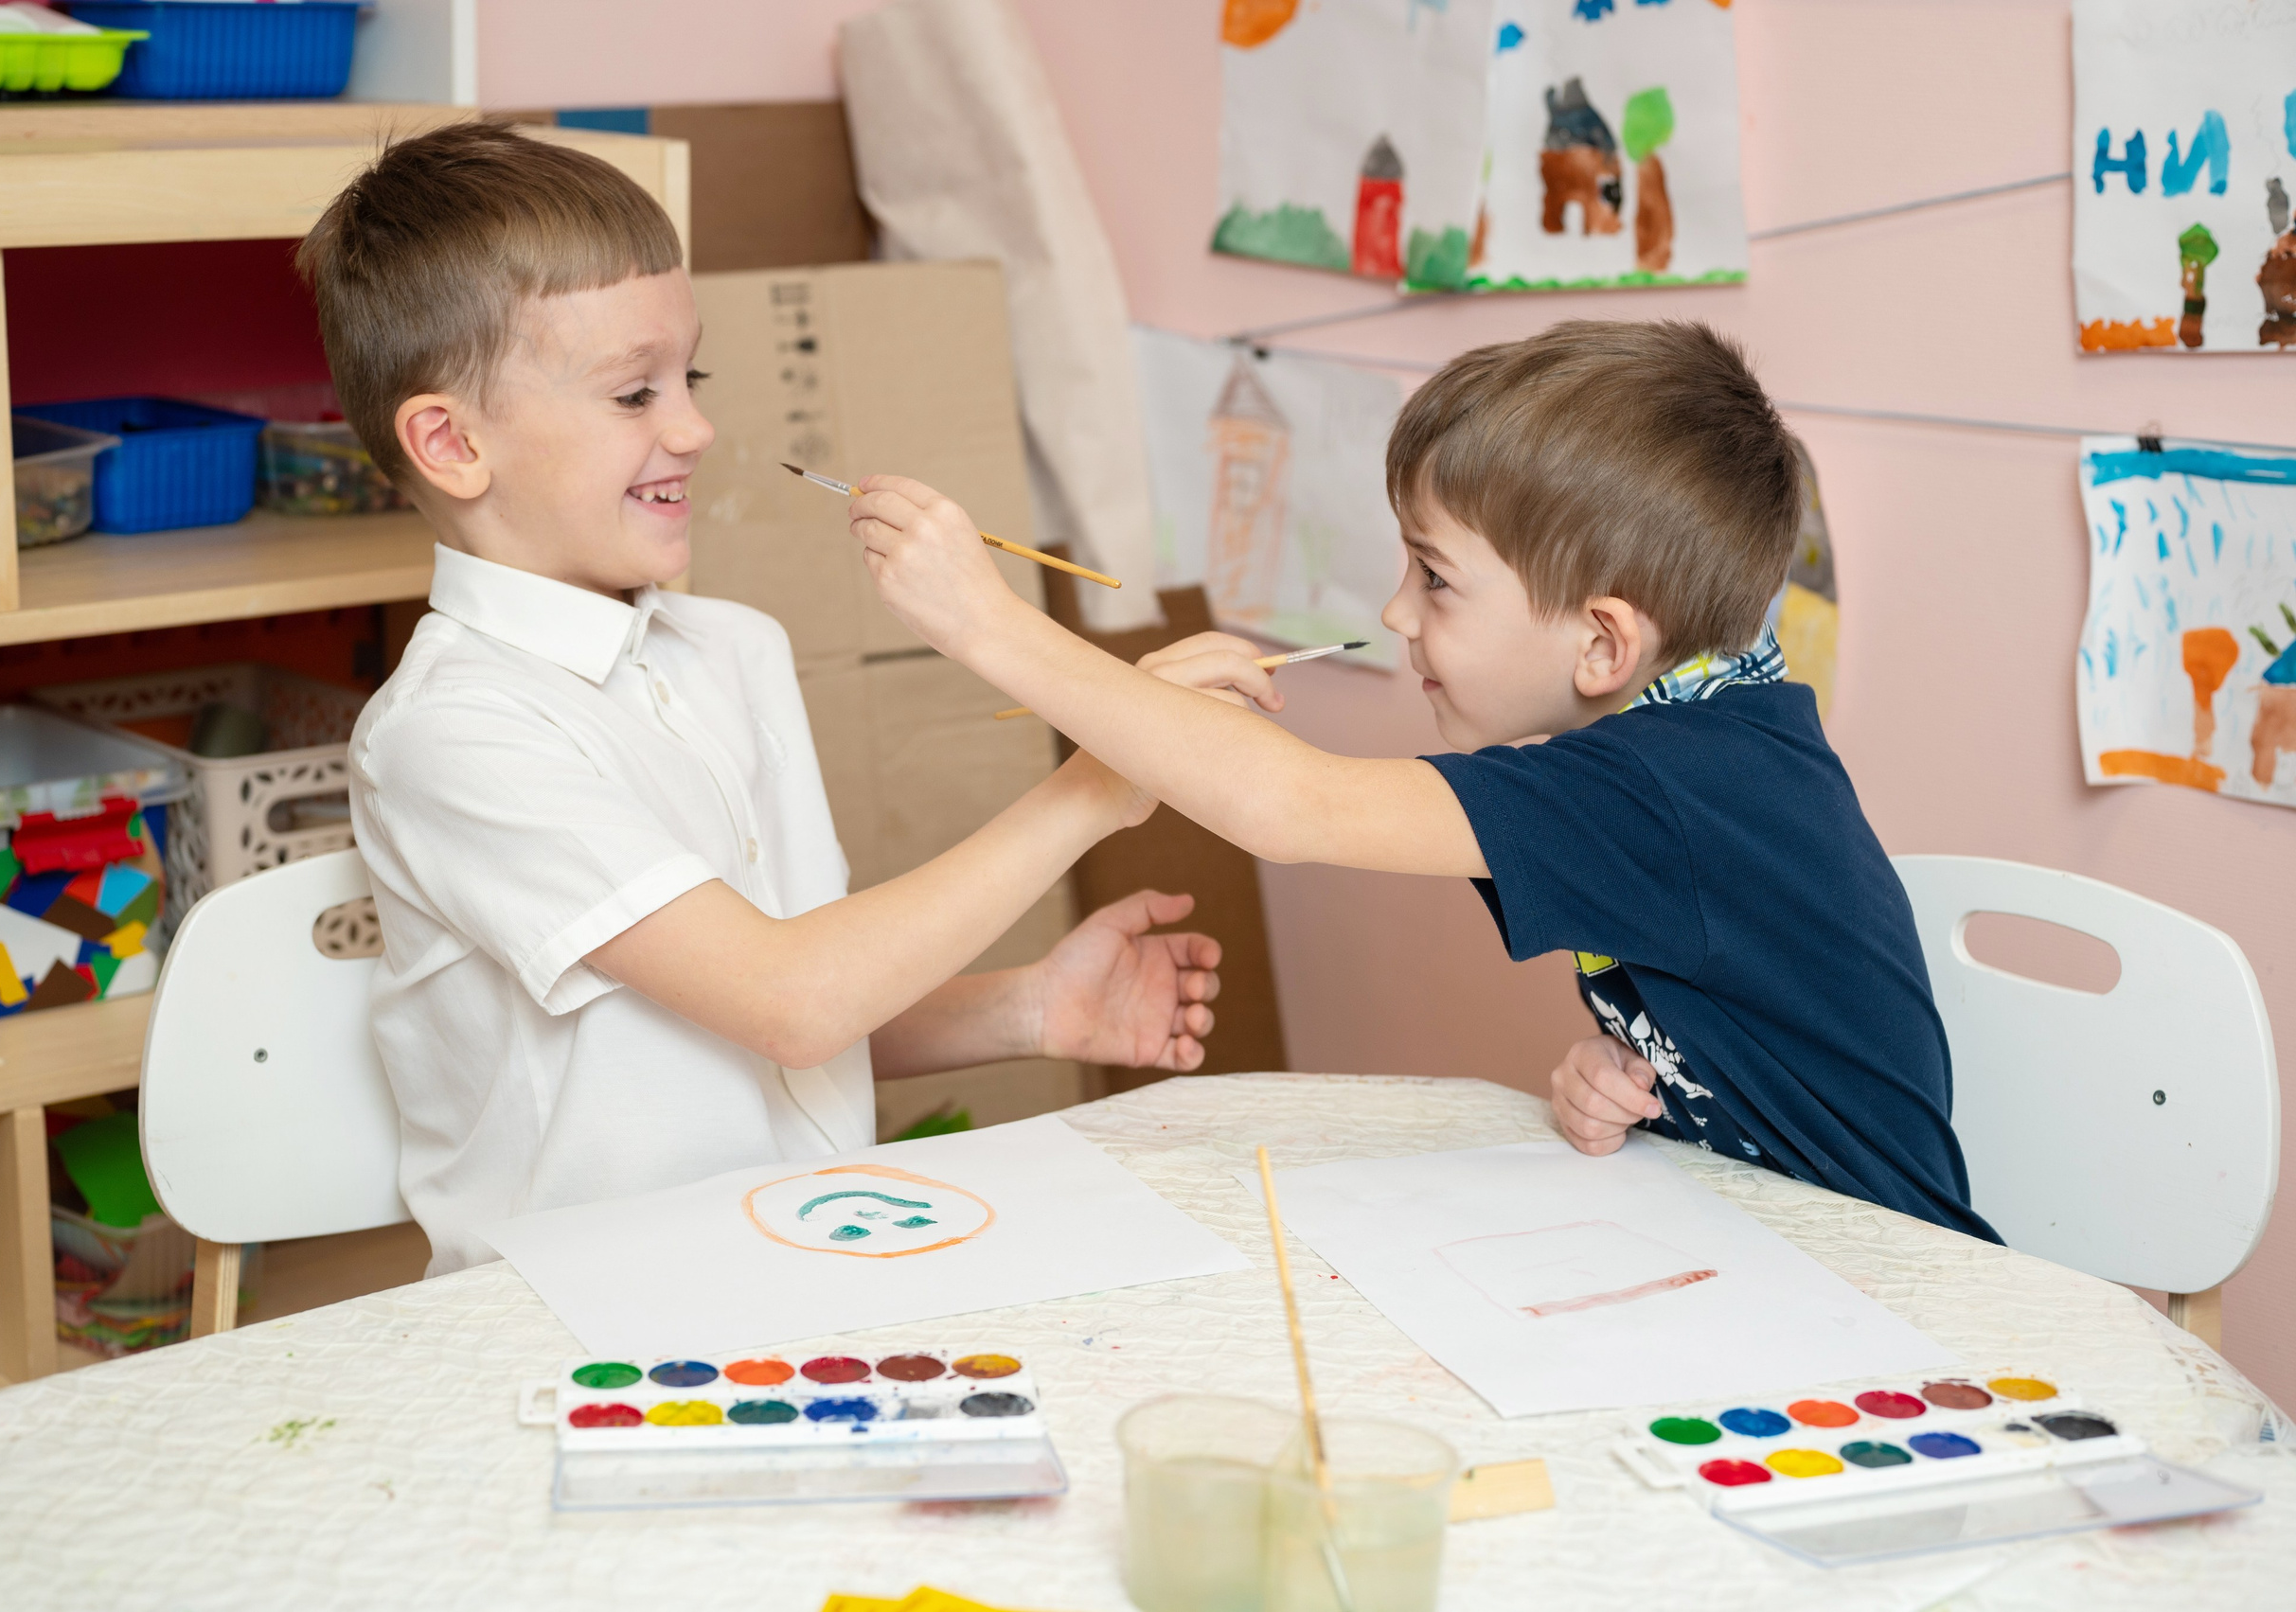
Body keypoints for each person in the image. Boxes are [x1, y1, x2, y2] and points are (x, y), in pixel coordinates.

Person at [845, 320, 1999, 1242]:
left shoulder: (1670, 786)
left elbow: (1293, 806)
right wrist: (1645, 1075)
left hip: (1894, 1289)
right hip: (1768, 1249)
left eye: (1435, 578)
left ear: (1602, 642)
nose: (1396, 613)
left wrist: (989, 625)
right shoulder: (1706, 745)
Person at [309, 122, 1222, 1274]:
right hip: (584, 1307)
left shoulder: (733, 651)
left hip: (800, 1260)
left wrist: (1031, 1007)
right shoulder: (453, 734)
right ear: (449, 442)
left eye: (687, 379)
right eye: (633, 393)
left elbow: (763, 1017)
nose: (694, 428)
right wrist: (1094, 784)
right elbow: (790, 1000)